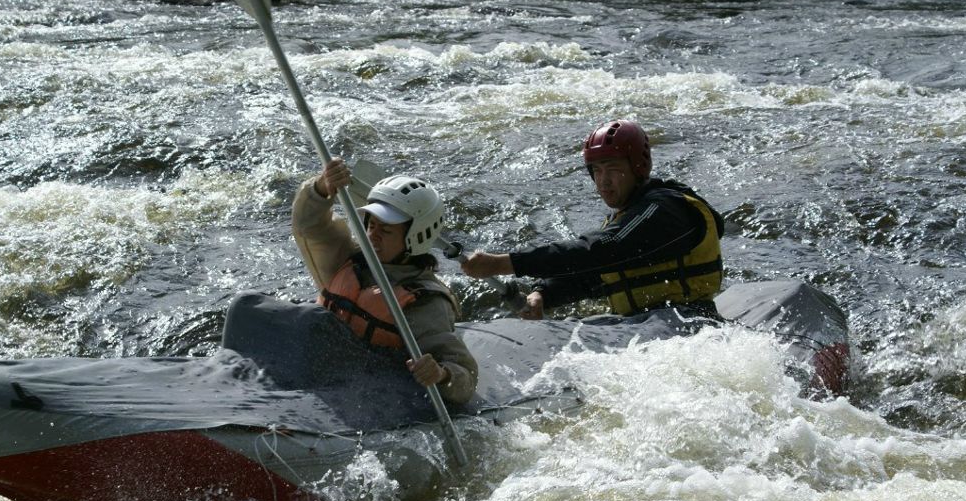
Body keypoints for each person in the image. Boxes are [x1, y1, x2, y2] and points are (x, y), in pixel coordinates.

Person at [460, 119, 725, 320]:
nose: (603, 181)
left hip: (687, 320)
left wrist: (505, 263)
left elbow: (600, 250)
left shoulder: (662, 210)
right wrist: (544, 293)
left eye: (613, 169)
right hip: (644, 324)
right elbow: (595, 276)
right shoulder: (626, 218)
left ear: (638, 168)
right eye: (596, 171)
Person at [291, 157, 478, 405]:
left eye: (386, 230)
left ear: (414, 239)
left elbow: (465, 377)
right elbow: (307, 226)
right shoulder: (347, 259)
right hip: (315, 371)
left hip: (368, 397)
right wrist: (322, 187)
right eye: (371, 225)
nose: (373, 236)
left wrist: (441, 375)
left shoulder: (426, 303)